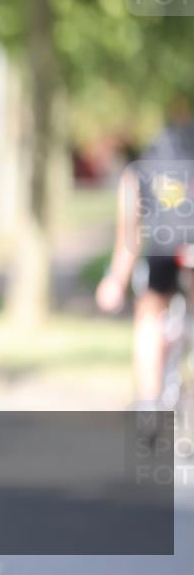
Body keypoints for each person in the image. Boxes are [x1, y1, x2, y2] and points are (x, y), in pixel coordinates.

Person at [96, 97, 194, 408]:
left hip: (163, 253)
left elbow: (130, 233)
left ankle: (150, 404)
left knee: (149, 317)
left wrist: (115, 279)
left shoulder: (140, 168)